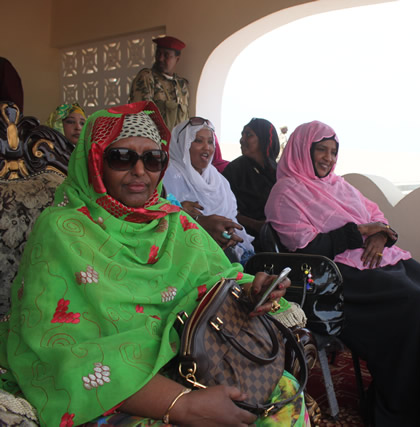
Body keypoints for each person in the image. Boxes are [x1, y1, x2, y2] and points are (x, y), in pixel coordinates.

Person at [0, 101, 309, 426]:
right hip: (110, 389)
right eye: (121, 157)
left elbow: (218, 281)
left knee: (284, 392)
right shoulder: (63, 229)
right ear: (95, 162)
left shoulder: (173, 223)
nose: (139, 171)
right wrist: (183, 404)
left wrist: (252, 291)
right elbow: (58, 352)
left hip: (190, 360)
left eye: (152, 159)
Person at [265, 120, 420, 426]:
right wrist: (362, 232)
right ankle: (413, 407)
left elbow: (376, 216)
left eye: (333, 152)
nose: (328, 158)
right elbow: (307, 249)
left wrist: (380, 235)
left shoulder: (338, 185)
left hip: (378, 260)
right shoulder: (285, 192)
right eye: (321, 150)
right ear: (302, 150)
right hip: (337, 277)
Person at [163, 117, 255, 265]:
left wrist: (229, 234)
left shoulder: (218, 180)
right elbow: (161, 218)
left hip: (228, 251)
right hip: (187, 256)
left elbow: (231, 216)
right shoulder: (167, 176)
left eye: (210, 142)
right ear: (182, 144)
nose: (207, 148)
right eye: (198, 141)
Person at [222, 118, 280, 248]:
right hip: (243, 239)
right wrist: (255, 225)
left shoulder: (279, 172)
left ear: (264, 139)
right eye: (242, 135)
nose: (242, 139)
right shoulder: (235, 170)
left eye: (248, 135)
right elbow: (225, 209)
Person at [128, 36, 189, 131]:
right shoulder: (147, 77)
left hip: (176, 139)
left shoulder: (181, 85)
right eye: (158, 53)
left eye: (166, 55)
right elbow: (138, 115)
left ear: (177, 59)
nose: (160, 58)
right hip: (154, 138)